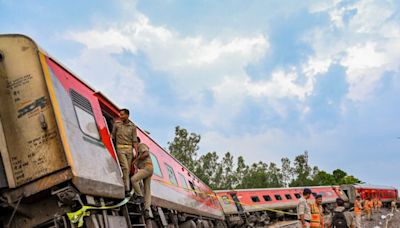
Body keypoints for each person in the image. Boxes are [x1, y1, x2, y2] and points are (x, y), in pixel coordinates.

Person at [112, 109, 139, 193]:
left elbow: (134, 140)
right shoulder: (116, 124)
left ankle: (125, 186)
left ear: (127, 115)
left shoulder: (133, 127)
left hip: (129, 150)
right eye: (120, 115)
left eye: (122, 115)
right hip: (120, 148)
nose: (120, 116)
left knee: (127, 170)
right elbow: (112, 136)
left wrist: (137, 153)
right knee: (125, 168)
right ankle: (126, 189)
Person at [131, 137, 153, 211]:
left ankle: (139, 196)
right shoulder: (137, 153)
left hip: (147, 167)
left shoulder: (141, 145)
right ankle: (146, 208)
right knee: (147, 189)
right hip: (148, 168)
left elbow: (146, 153)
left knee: (133, 179)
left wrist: (137, 159)